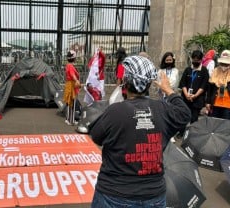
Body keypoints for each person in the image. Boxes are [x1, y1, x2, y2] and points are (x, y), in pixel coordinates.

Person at [89, 56, 191, 208]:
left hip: (114, 193)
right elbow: (184, 113)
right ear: (149, 83)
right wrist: (168, 89)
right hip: (153, 196)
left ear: (126, 81)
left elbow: (96, 136)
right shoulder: (162, 109)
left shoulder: (115, 111)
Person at [179, 50, 209, 124]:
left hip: (197, 100)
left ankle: (192, 134)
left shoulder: (204, 70)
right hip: (186, 99)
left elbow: (203, 85)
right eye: (194, 60)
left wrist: (195, 95)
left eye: (197, 60)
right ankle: (182, 134)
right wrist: (186, 95)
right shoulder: (188, 69)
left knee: (194, 119)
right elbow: (183, 83)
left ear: (201, 60)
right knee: (183, 117)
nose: (195, 61)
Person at [205, 50, 230, 119]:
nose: (224, 66)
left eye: (226, 64)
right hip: (215, 103)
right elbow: (210, 88)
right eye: (222, 63)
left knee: (225, 126)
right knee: (213, 124)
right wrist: (208, 102)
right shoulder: (215, 71)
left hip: (228, 105)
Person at [63, 50, 80, 125]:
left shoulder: (68, 65)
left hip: (68, 85)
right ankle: (71, 120)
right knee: (72, 103)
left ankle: (68, 119)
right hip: (71, 86)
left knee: (69, 103)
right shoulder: (71, 66)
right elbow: (72, 74)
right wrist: (77, 81)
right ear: (74, 58)